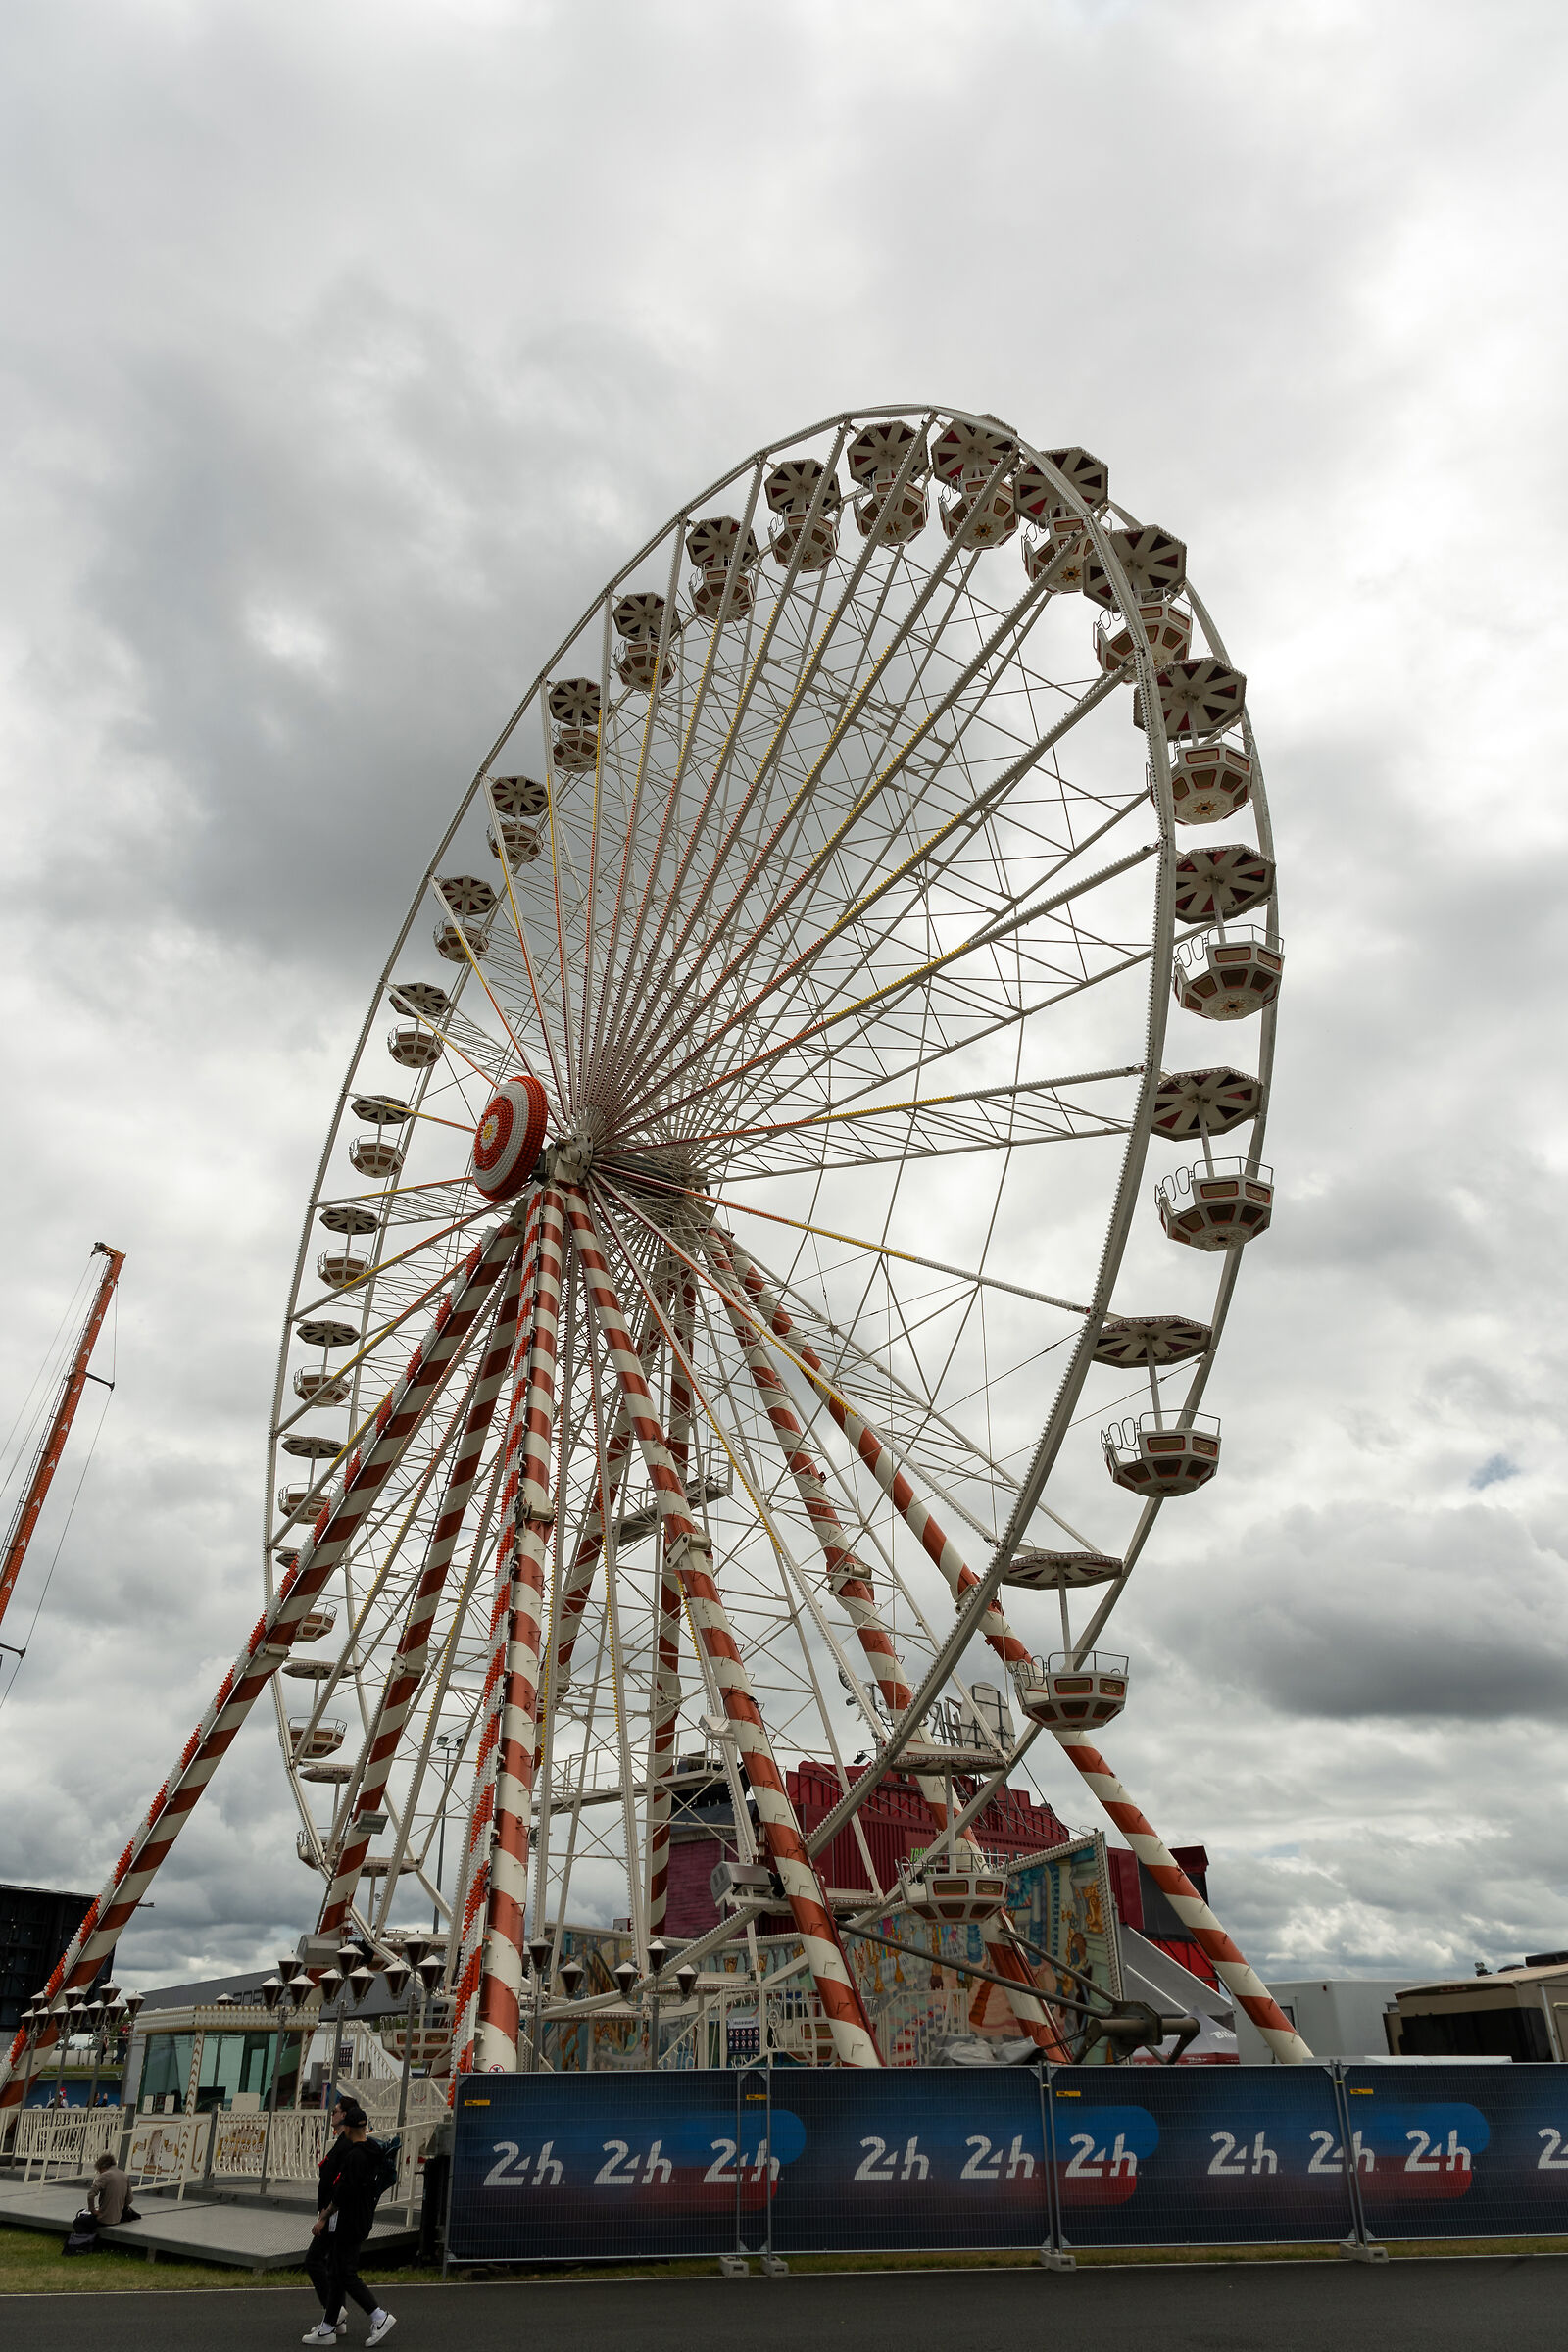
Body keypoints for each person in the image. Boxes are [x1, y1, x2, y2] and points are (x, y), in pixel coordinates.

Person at [302, 2101, 396, 2346]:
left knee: (343, 2272)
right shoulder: (371, 2149)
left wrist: (324, 2216)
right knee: (336, 2272)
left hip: (348, 2220)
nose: (334, 2117)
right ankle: (328, 2327)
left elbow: (343, 2191)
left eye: (336, 2113)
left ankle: (379, 2316)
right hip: (359, 2218)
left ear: (348, 2126)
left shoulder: (355, 2155)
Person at [87, 2150, 131, 2227]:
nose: (100, 2173)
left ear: (102, 2167)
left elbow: (91, 2195)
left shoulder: (105, 2175)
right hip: (118, 2218)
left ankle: (87, 2237)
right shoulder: (125, 2175)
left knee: (78, 2222)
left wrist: (92, 2210)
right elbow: (130, 2199)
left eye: (99, 2170)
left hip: (104, 2218)